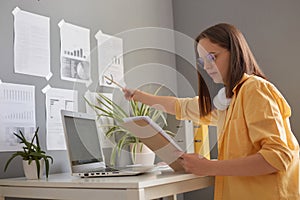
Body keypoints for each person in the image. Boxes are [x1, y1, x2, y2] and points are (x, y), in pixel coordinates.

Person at [122, 23, 299, 200]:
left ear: (235, 52)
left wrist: (209, 167)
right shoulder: (227, 103)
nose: (206, 66)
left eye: (212, 57)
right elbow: (181, 107)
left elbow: (278, 157)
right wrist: (138, 96)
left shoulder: (255, 89)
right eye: (202, 61)